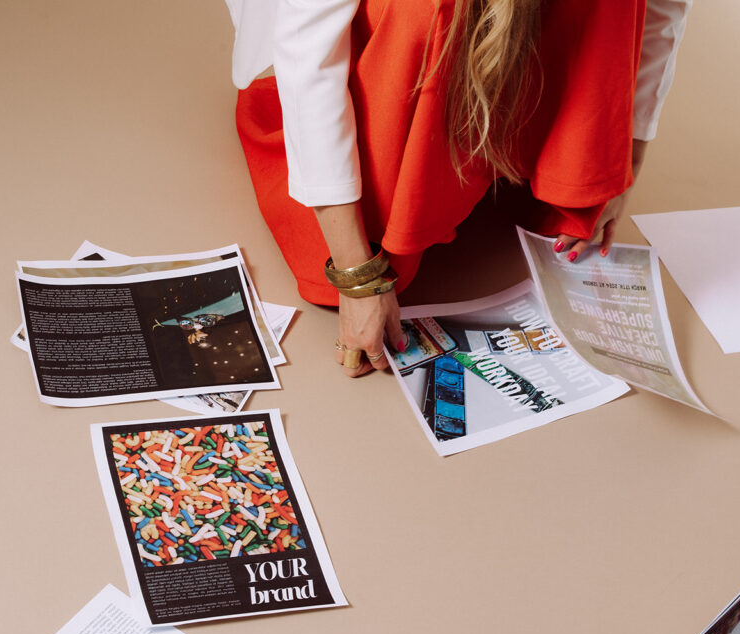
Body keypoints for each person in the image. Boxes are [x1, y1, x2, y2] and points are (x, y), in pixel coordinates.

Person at [224, 0, 692, 377]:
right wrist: (357, 276)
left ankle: (515, 149)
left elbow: (658, 7)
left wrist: (619, 160)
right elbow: (309, 56)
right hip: (380, 58)